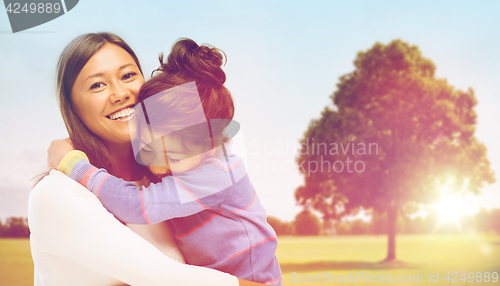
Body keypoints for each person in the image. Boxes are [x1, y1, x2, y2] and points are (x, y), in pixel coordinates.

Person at [28, 32, 268, 286]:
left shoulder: (168, 179)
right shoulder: (55, 194)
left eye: (128, 75)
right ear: (72, 106)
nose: (119, 93)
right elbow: (166, 279)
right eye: (97, 84)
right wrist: (71, 163)